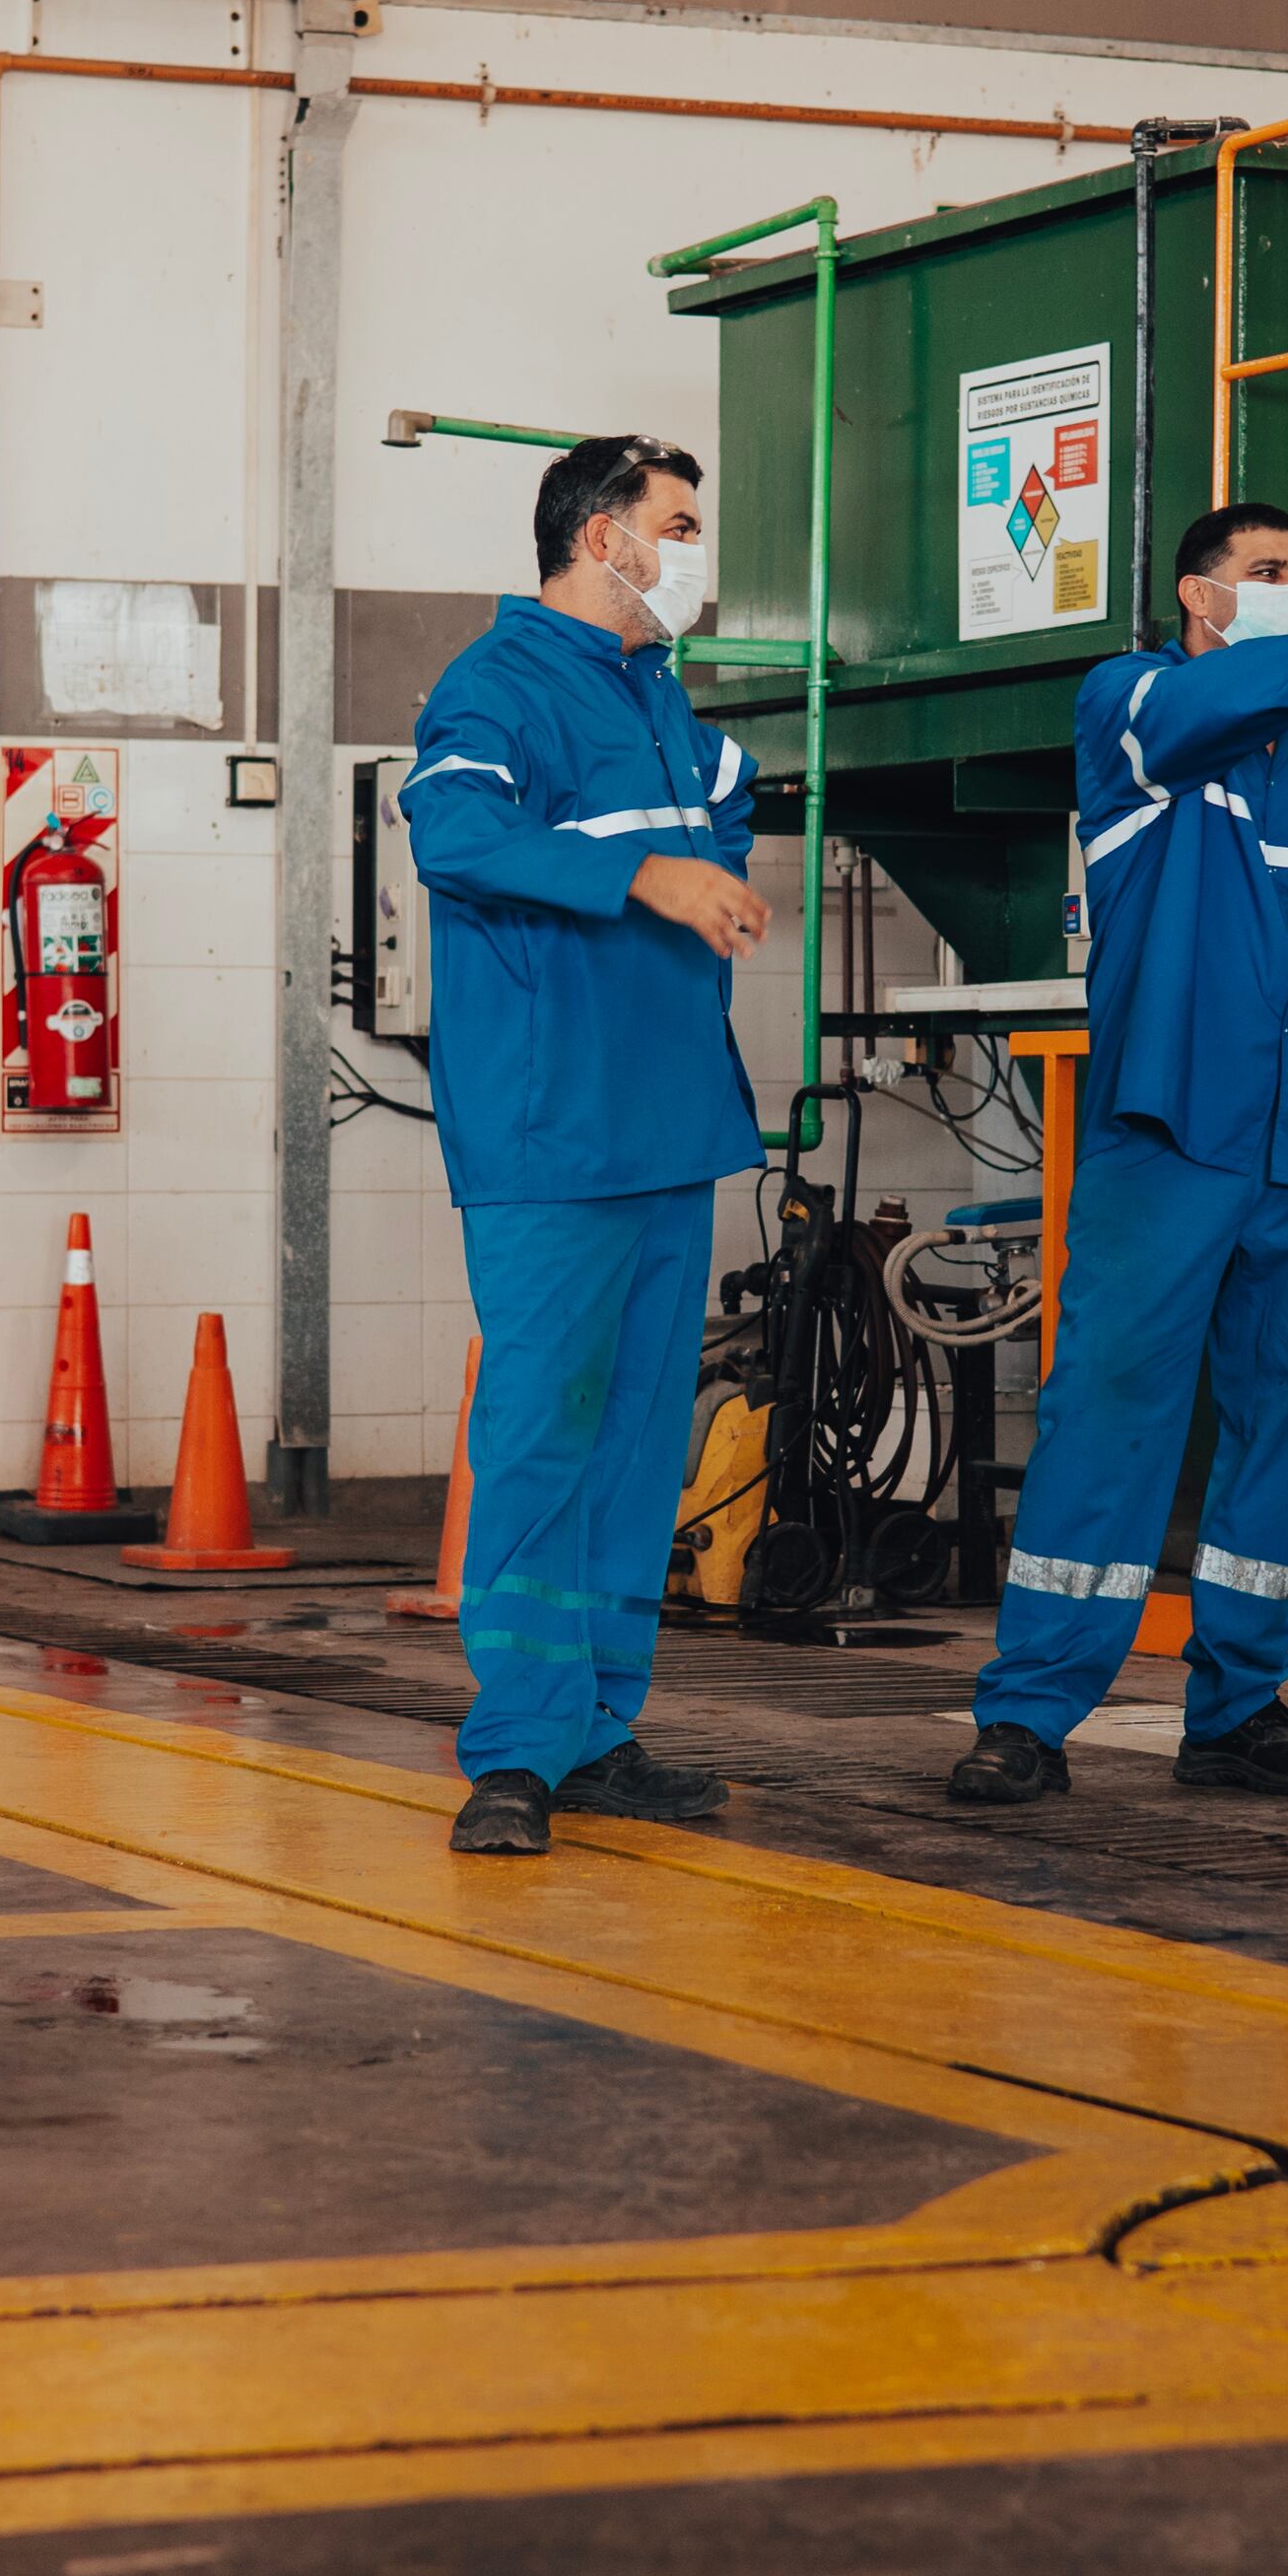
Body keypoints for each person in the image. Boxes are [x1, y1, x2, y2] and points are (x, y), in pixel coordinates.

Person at [951, 503, 1288, 1805]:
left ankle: (1237, 1706)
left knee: (1284, 1425)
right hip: (1171, 1129)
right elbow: (1181, 721)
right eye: (1269, 573)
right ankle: (1028, 1712)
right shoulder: (1133, 706)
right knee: (1109, 1414)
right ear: (1201, 596)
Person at [397, 435, 769, 1856]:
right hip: (554, 1131)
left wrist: (700, 867)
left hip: (670, 1129)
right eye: (678, 523)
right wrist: (644, 871)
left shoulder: (669, 706)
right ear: (603, 535)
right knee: (544, 1441)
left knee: (629, 1454)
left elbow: (718, 836)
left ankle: (602, 1727)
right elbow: (452, 833)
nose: (693, 550)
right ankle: (515, 1749)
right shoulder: (500, 685)